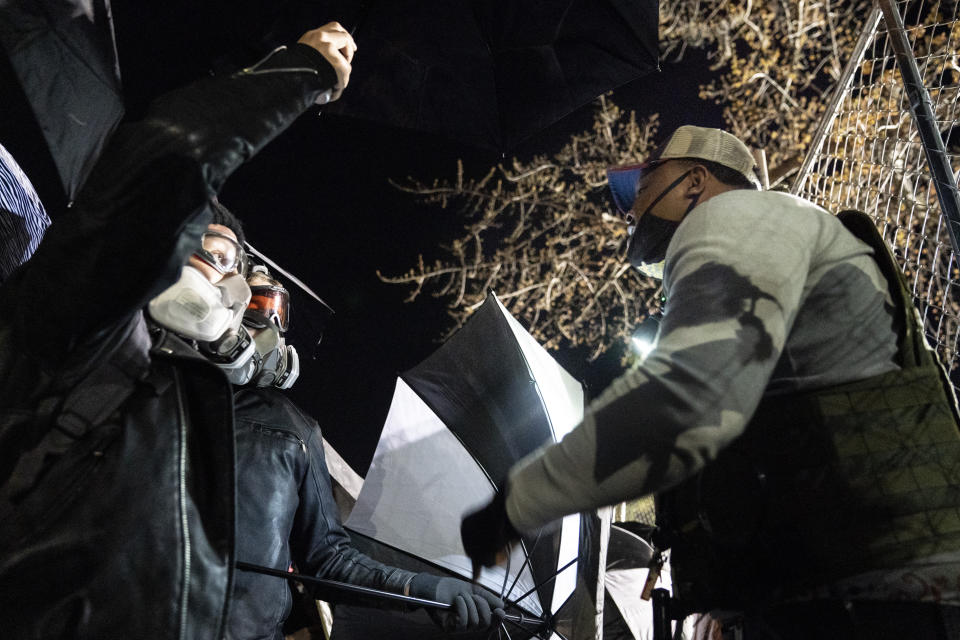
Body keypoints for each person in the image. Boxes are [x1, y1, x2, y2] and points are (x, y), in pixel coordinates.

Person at [460, 125, 960, 638]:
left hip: (872, 599)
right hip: (872, 581)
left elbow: (685, 404)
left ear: (694, 182)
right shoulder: (778, 228)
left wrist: (516, 504)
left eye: (640, 186)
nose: (626, 211)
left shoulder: (731, 216)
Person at [0, 22, 359, 638]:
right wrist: (298, 73)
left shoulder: (213, 410)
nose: (206, 270)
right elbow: (161, 170)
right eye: (194, 246)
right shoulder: (94, 321)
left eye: (224, 262)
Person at [219, 248, 504, 639]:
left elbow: (328, 559)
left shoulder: (294, 431)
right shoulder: (137, 398)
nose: (264, 327)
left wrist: (423, 590)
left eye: (272, 312)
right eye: (250, 308)